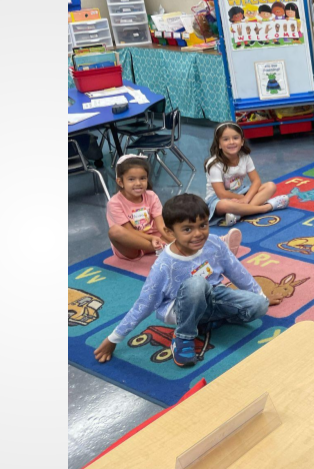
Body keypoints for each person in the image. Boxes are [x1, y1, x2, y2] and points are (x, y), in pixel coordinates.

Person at [94, 194, 272, 368]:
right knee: (196, 284)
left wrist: (259, 294)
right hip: (177, 306)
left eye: (202, 225)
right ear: (170, 232)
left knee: (259, 305)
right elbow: (144, 303)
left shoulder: (215, 243)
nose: (198, 234)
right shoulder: (164, 264)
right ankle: (183, 337)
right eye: (187, 229)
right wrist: (114, 338)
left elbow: (237, 271)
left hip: (214, 295)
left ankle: (207, 321)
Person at [204, 123, 289, 225]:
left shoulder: (245, 157)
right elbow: (221, 194)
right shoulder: (214, 164)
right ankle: (267, 207)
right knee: (224, 205)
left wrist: (246, 198)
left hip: (240, 191)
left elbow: (256, 181)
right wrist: (243, 199)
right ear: (219, 144)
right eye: (225, 139)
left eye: (235, 138)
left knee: (270, 186)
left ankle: (239, 214)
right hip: (218, 199)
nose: (231, 142)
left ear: (242, 141)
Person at [106, 155, 172, 260]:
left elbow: (161, 225)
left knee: (177, 223)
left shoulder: (151, 196)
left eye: (142, 178)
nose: (138, 183)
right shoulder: (114, 203)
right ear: (120, 182)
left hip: (157, 238)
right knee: (114, 231)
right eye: (131, 179)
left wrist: (174, 240)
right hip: (132, 245)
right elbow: (129, 231)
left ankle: (166, 245)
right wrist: (151, 238)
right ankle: (162, 247)